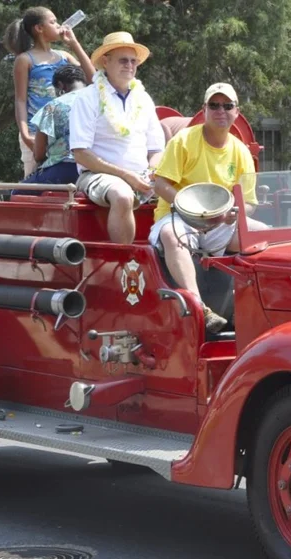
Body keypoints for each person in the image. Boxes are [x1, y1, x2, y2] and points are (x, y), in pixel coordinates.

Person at [150, 83, 268, 333]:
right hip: (177, 217)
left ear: (237, 111)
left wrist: (234, 214)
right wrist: (187, 208)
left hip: (219, 224)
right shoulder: (184, 140)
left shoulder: (241, 152)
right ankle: (198, 307)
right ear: (204, 109)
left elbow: (249, 203)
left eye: (227, 106)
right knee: (172, 236)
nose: (220, 111)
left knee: (263, 235)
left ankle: (260, 306)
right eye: (214, 105)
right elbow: (160, 184)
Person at [68, 31, 165, 244]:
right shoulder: (87, 97)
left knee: (186, 194)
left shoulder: (144, 98)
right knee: (122, 195)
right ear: (106, 61)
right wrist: (127, 175)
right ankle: (125, 266)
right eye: (123, 60)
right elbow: (81, 154)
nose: (129, 66)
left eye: (133, 61)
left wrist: (151, 173)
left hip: (143, 176)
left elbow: (157, 149)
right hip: (97, 175)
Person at [5, 6, 96, 178]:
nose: (59, 25)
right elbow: (20, 100)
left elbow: (94, 79)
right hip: (35, 131)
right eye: (53, 22)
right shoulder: (25, 59)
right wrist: (25, 134)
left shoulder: (64, 56)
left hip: (64, 133)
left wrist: (74, 44)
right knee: (34, 179)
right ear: (39, 28)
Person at [13, 65, 88, 195]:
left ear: (60, 85)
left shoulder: (52, 106)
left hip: (63, 170)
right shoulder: (101, 102)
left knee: (18, 193)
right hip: (96, 169)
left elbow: (39, 154)